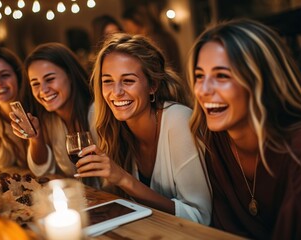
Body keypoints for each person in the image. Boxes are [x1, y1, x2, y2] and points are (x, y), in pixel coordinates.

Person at [189, 19, 301, 239]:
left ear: (262, 80)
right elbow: (222, 229)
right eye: (199, 76)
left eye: (222, 76)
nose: (203, 90)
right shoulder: (215, 139)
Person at [75, 33, 211, 224]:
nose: (116, 92)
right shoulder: (110, 126)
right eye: (107, 81)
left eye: (128, 80)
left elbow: (200, 217)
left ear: (152, 85)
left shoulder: (178, 120)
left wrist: (122, 178)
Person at [10, 42, 93, 179]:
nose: (43, 90)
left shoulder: (96, 113)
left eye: (50, 79)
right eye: (35, 83)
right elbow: (42, 171)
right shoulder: (49, 120)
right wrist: (35, 137)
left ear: (70, 75)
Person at [122, 6, 182, 75]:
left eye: (126, 24)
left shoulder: (152, 40)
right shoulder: (163, 35)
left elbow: (161, 66)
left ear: (137, 21)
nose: (125, 28)